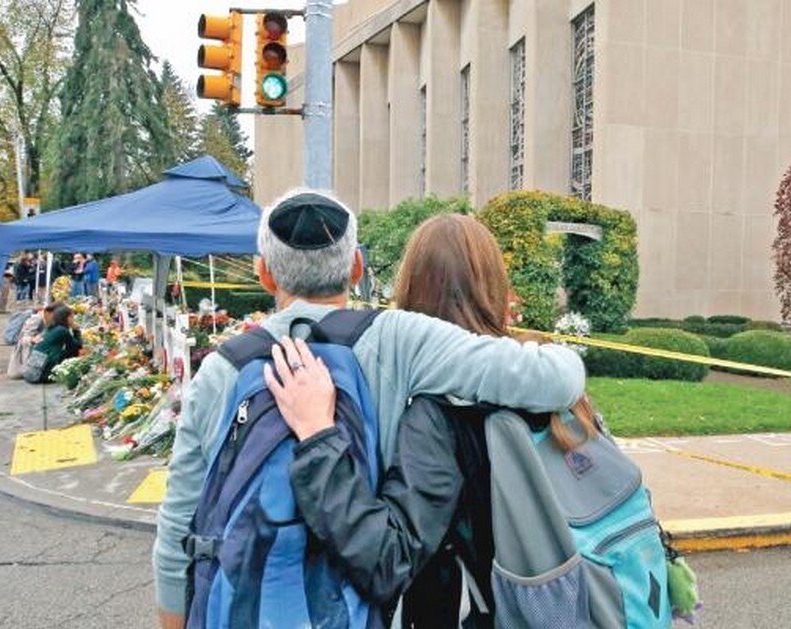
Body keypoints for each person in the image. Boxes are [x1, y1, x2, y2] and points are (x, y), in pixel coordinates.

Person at [153, 190, 585, 629]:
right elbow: (559, 380)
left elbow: (177, 529)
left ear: (263, 272)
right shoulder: (399, 340)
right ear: (357, 266)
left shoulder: (221, 370)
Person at [267, 215, 601, 625]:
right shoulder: (553, 391)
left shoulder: (436, 413)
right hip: (576, 600)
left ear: (409, 286)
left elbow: (386, 561)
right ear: (495, 285)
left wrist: (318, 436)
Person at [7, 302, 63, 379]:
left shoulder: (51, 320)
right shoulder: (37, 319)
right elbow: (23, 338)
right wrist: (33, 339)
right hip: (29, 352)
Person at [28, 305, 82, 383]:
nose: (73, 320)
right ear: (66, 318)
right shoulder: (62, 330)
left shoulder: (51, 328)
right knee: (72, 353)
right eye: (72, 317)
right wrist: (76, 331)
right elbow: (76, 347)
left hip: (32, 371)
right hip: (41, 375)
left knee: (63, 352)